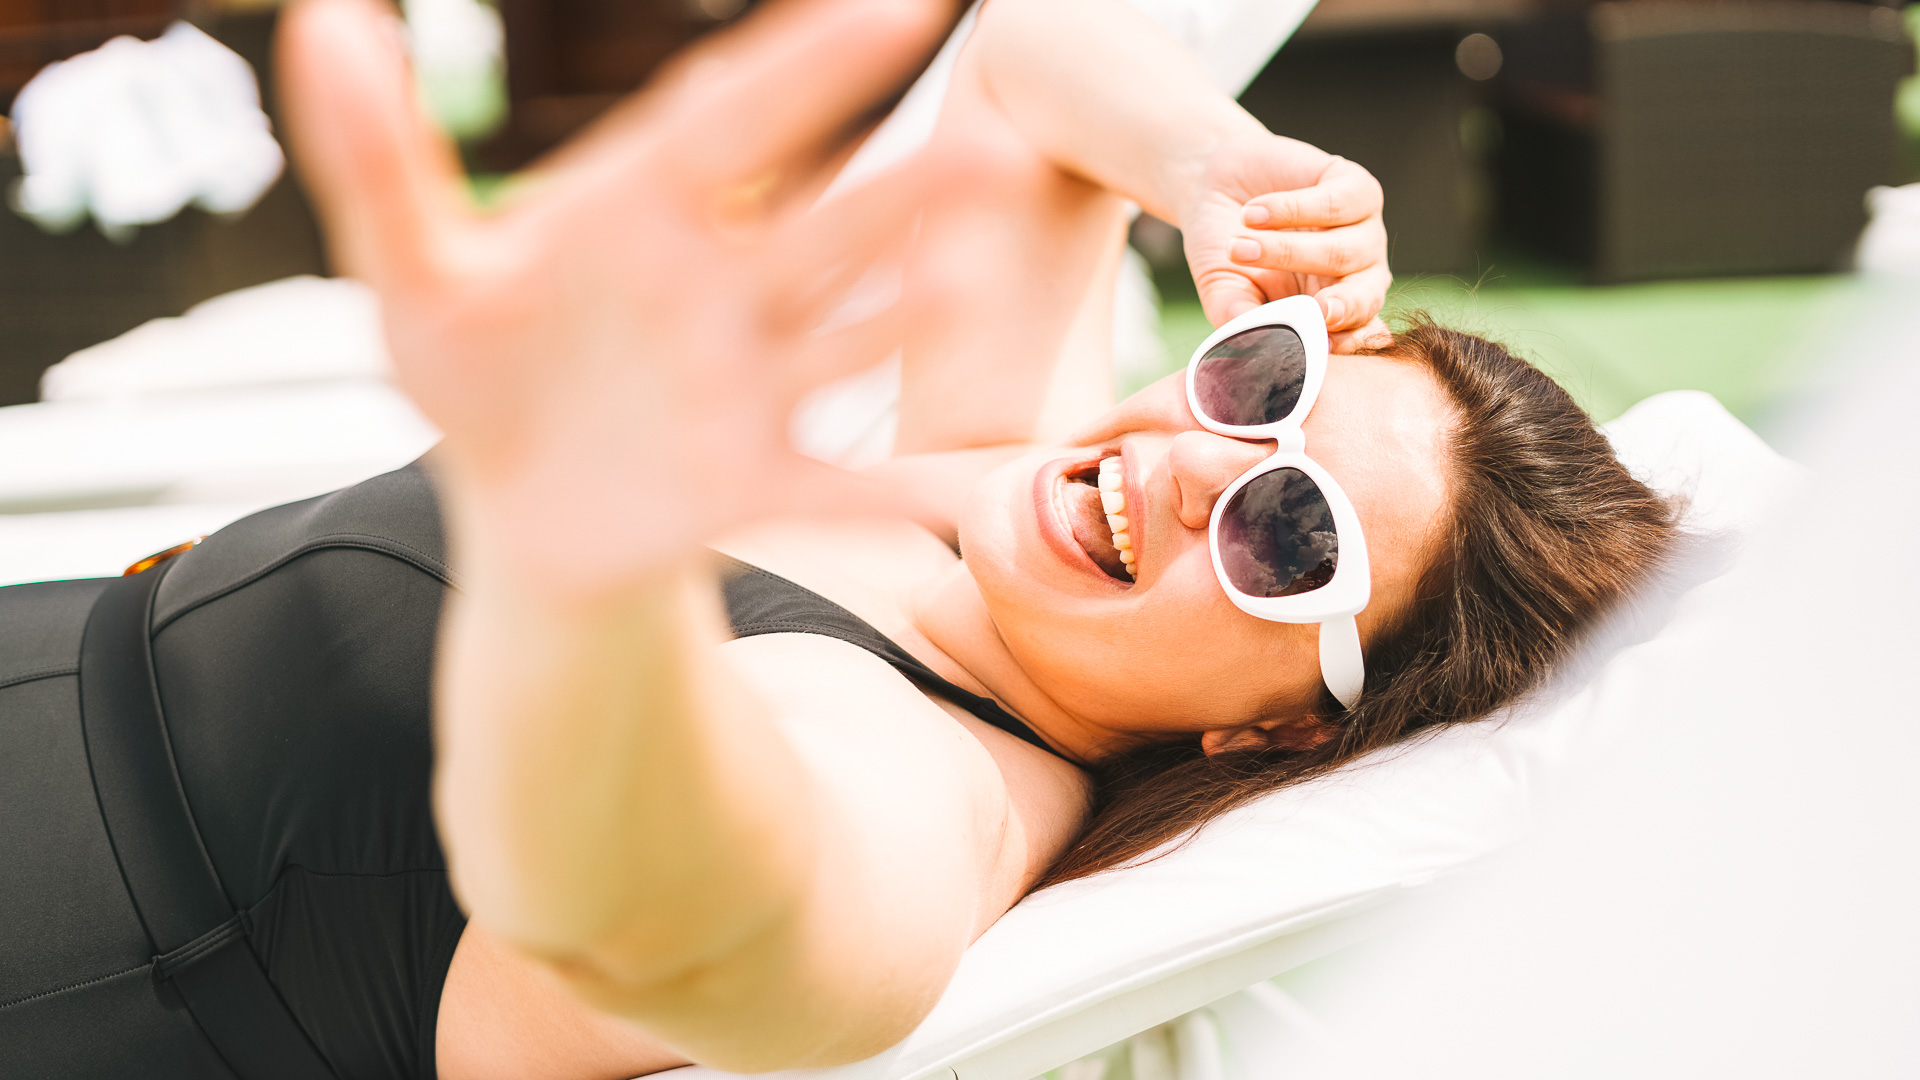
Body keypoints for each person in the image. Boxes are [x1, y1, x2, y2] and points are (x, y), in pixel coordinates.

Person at [0, 1, 1675, 1079]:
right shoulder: (974, 492)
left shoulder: (925, 796)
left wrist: (583, 580)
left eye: (1288, 530)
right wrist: (1229, 176)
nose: (1190, 463)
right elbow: (1026, 63)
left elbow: (695, 914)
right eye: (1260, 384)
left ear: (1279, 725)